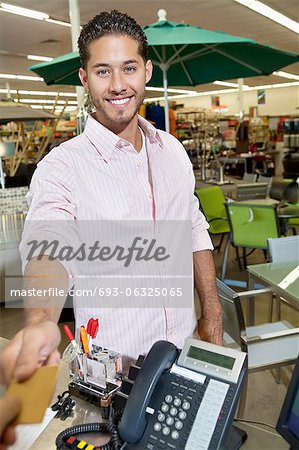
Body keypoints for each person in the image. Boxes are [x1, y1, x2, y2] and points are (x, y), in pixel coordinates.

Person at [5, 10, 222, 382]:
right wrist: (42, 320)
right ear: (84, 78)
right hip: (114, 373)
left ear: (147, 71)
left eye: (129, 68)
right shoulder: (62, 167)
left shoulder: (171, 150)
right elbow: (49, 245)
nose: (118, 84)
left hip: (184, 350)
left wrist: (212, 313)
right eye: (103, 71)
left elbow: (194, 228)